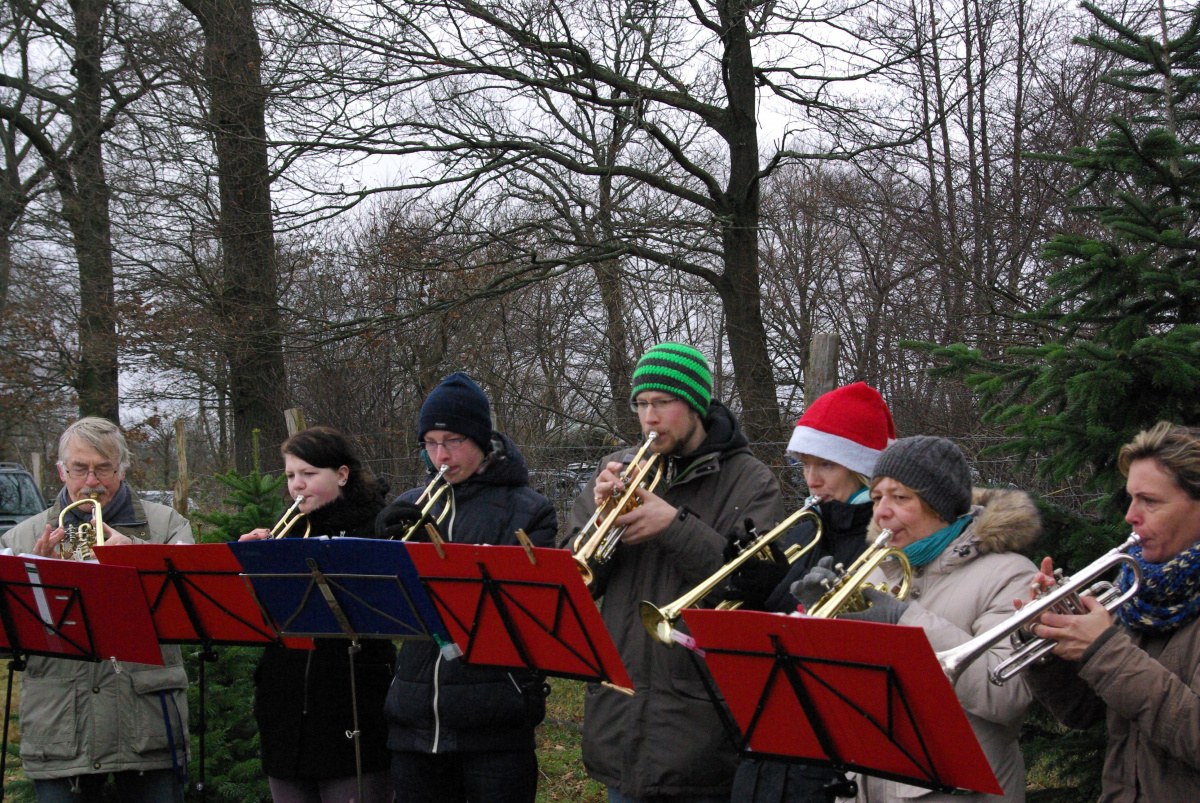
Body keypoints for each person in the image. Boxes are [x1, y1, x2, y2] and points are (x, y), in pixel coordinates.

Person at [567, 342, 785, 803]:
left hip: (698, 727)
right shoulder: (619, 471)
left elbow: (754, 588)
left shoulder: (751, 480)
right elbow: (575, 579)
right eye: (641, 404)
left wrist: (674, 526)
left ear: (695, 405)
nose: (649, 418)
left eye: (662, 403)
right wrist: (596, 515)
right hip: (620, 717)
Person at [794, 435, 1038, 802]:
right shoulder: (875, 575)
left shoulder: (1009, 574)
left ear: (941, 506)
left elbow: (1008, 696)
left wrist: (905, 620)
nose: (881, 512)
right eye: (877, 498)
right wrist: (822, 626)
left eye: (901, 497)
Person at [375, 371, 557, 803]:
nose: (440, 455)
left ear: (480, 439)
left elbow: (530, 614)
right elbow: (386, 609)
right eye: (430, 442)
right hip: (413, 721)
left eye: (453, 440)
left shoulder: (528, 510)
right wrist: (386, 548)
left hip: (494, 725)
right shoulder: (412, 503)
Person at [0, 417, 192, 803]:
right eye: (79, 469)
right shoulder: (20, 537)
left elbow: (188, 615)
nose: (92, 481)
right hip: (60, 725)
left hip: (147, 722)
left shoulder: (166, 524)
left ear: (122, 468)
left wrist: (137, 557)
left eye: (104, 468)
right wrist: (35, 575)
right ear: (60, 470)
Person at [727, 382, 894, 803]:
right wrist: (749, 590)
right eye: (804, 465)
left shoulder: (887, 545)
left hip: (831, 763)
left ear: (863, 470)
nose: (811, 479)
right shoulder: (804, 528)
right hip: (768, 747)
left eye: (826, 466)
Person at [1023, 421, 1200, 801]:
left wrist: (1103, 651)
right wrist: (1050, 635)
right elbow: (1080, 712)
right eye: (1131, 499)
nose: (1130, 516)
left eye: (1149, 501)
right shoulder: (1138, 594)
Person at [238, 426, 395, 803]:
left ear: (342, 475)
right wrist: (250, 564)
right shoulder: (285, 529)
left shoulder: (376, 526)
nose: (297, 486)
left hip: (351, 702)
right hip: (285, 706)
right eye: (291, 475)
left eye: (309, 475)